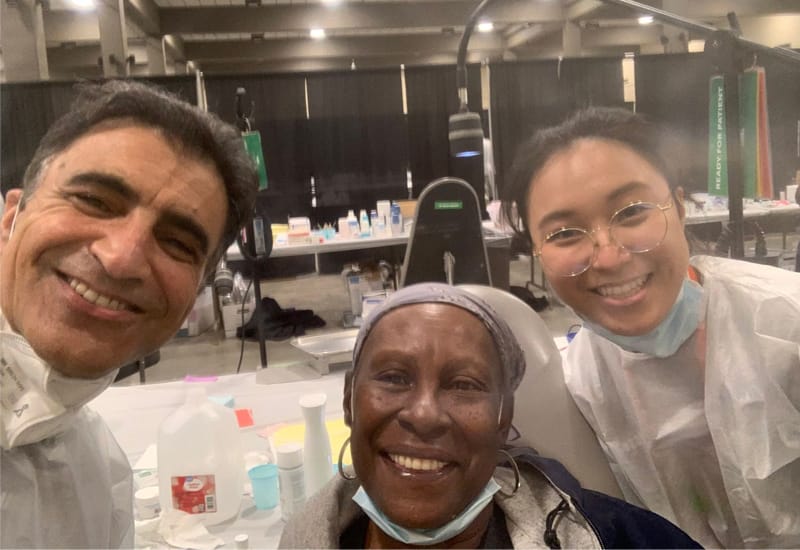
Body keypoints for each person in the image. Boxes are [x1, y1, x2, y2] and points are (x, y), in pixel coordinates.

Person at [503, 106, 800, 548]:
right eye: (565, 233)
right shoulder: (577, 388)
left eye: (631, 212)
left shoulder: (784, 324)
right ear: (537, 255)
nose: (608, 256)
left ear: (679, 207)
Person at [0, 79, 258, 548]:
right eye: (94, 201)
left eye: (177, 243)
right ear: (11, 217)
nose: (121, 258)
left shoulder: (96, 470)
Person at [279, 283, 699, 549]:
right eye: (393, 377)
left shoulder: (619, 538)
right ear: (350, 397)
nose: (425, 414)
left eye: (464, 385)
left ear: (504, 418)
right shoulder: (303, 538)